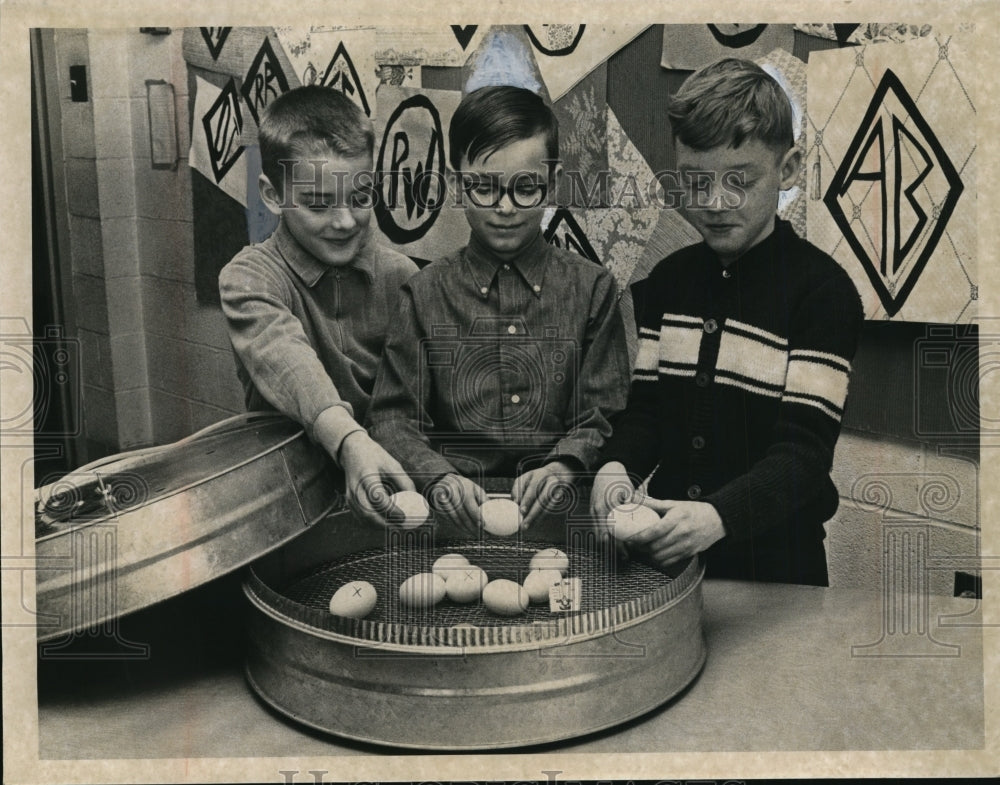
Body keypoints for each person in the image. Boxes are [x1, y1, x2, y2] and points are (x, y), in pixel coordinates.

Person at [591, 58, 864, 585]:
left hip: (780, 574)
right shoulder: (667, 282)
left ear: (787, 169)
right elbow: (646, 411)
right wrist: (615, 467)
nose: (714, 204)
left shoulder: (824, 294)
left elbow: (803, 456)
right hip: (674, 567)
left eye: (739, 181)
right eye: (696, 183)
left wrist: (718, 517)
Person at [367, 85, 630, 534]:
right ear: (454, 185)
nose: (505, 208)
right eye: (484, 188)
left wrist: (565, 465)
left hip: (566, 515)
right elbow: (393, 419)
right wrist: (438, 476)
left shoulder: (593, 289)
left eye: (526, 188)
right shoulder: (423, 294)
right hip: (453, 516)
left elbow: (604, 412)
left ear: (552, 181)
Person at [219, 86, 418, 525]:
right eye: (319, 203)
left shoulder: (403, 277)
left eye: (360, 197)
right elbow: (288, 361)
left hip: (388, 495)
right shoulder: (249, 278)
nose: (345, 220)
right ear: (273, 195)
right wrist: (350, 442)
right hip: (286, 504)